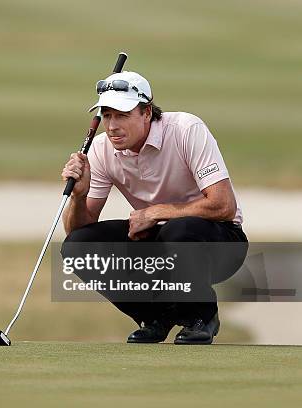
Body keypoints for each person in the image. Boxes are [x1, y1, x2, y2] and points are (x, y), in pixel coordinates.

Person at [60, 71, 248, 345]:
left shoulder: (186, 129)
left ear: (147, 112)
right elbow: (78, 231)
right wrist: (79, 195)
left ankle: (201, 316)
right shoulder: (101, 149)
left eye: (122, 115)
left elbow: (224, 205)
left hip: (220, 243)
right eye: (108, 115)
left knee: (178, 230)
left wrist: (154, 213)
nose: (112, 126)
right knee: (78, 246)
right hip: (160, 241)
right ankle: (156, 316)